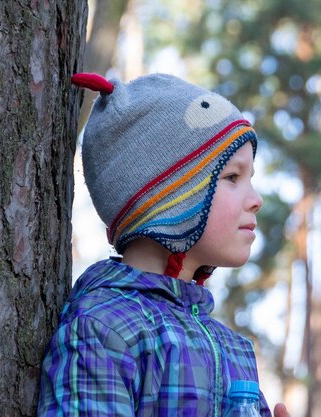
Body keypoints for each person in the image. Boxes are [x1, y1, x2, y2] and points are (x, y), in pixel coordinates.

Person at [37, 72, 291, 417]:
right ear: (169, 202)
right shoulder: (103, 330)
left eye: (250, 179)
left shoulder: (234, 349)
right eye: (232, 177)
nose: (256, 199)